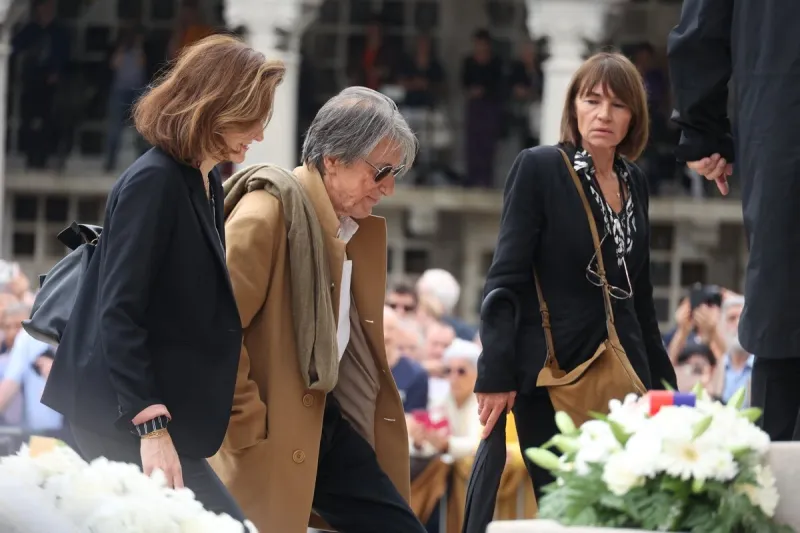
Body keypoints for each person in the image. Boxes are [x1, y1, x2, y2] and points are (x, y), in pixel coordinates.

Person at [40, 35, 285, 519]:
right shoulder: (155, 181)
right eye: (251, 117)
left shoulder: (205, 178)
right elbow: (119, 311)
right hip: (127, 418)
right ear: (215, 107)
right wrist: (151, 429)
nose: (258, 133)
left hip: (152, 418)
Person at [209, 86, 424, 533]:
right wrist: (249, 425)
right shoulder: (265, 214)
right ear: (333, 159)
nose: (389, 187)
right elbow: (213, 331)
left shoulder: (341, 225)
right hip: (271, 429)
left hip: (321, 422)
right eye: (381, 171)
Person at [474, 52, 677, 499]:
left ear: (634, 118)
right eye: (592, 100)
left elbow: (639, 298)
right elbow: (505, 279)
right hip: (555, 378)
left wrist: (667, 391)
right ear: (574, 108)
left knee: (625, 511)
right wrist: (494, 374)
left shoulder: (634, 181)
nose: (603, 114)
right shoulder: (541, 167)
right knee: (569, 509)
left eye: (618, 104)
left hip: (627, 381)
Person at [667, 0, 800, 441]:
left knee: (784, 291)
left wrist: (702, 131)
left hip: (781, 126)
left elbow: (701, 28)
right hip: (781, 123)